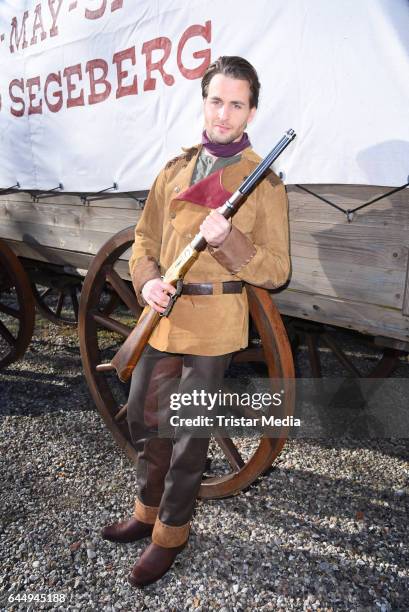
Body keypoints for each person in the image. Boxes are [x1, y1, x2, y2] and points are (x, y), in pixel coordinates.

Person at [101, 55, 290, 587]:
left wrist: (229, 240)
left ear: (251, 111)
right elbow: (142, 241)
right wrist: (148, 281)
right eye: (216, 100)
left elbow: (276, 270)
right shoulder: (174, 170)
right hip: (162, 317)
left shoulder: (263, 183)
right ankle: (145, 511)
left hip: (215, 324)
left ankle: (170, 533)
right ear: (203, 102)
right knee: (143, 415)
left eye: (236, 104)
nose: (224, 114)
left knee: (189, 435)